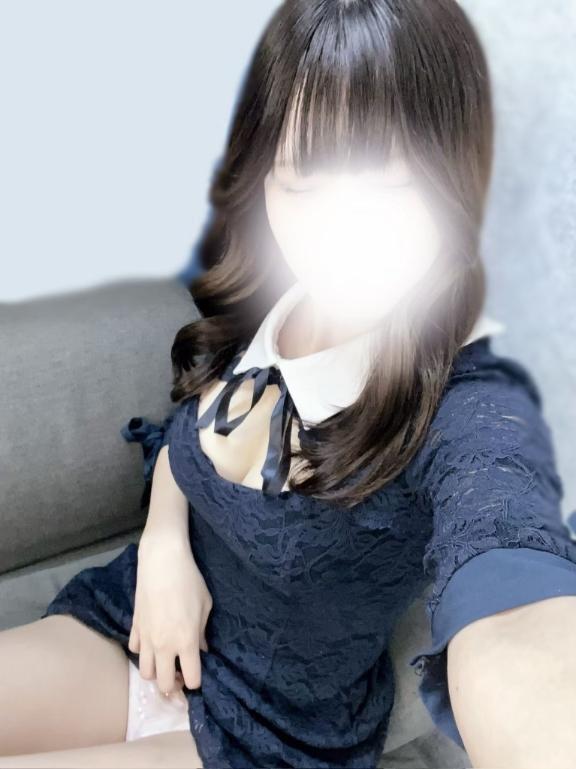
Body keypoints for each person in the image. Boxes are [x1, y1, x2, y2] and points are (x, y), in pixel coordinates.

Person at [3, 1, 576, 767]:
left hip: (268, 733)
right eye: (303, 181)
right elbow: (184, 441)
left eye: (383, 186)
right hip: (135, 623)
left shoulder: (469, 404)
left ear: (453, 181)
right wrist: (166, 547)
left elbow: (516, 603)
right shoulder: (273, 298)